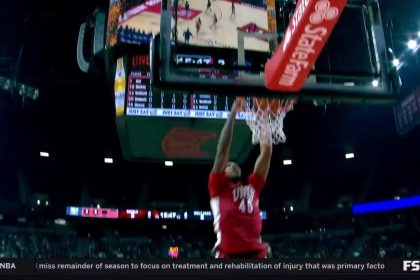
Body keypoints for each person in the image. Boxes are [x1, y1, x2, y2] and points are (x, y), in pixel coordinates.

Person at [208, 98, 273, 258]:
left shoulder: (253, 186)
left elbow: (266, 152)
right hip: (228, 252)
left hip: (256, 252)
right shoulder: (217, 186)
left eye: (234, 164)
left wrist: (263, 119)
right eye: (228, 165)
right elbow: (222, 150)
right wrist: (232, 114)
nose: (232, 165)